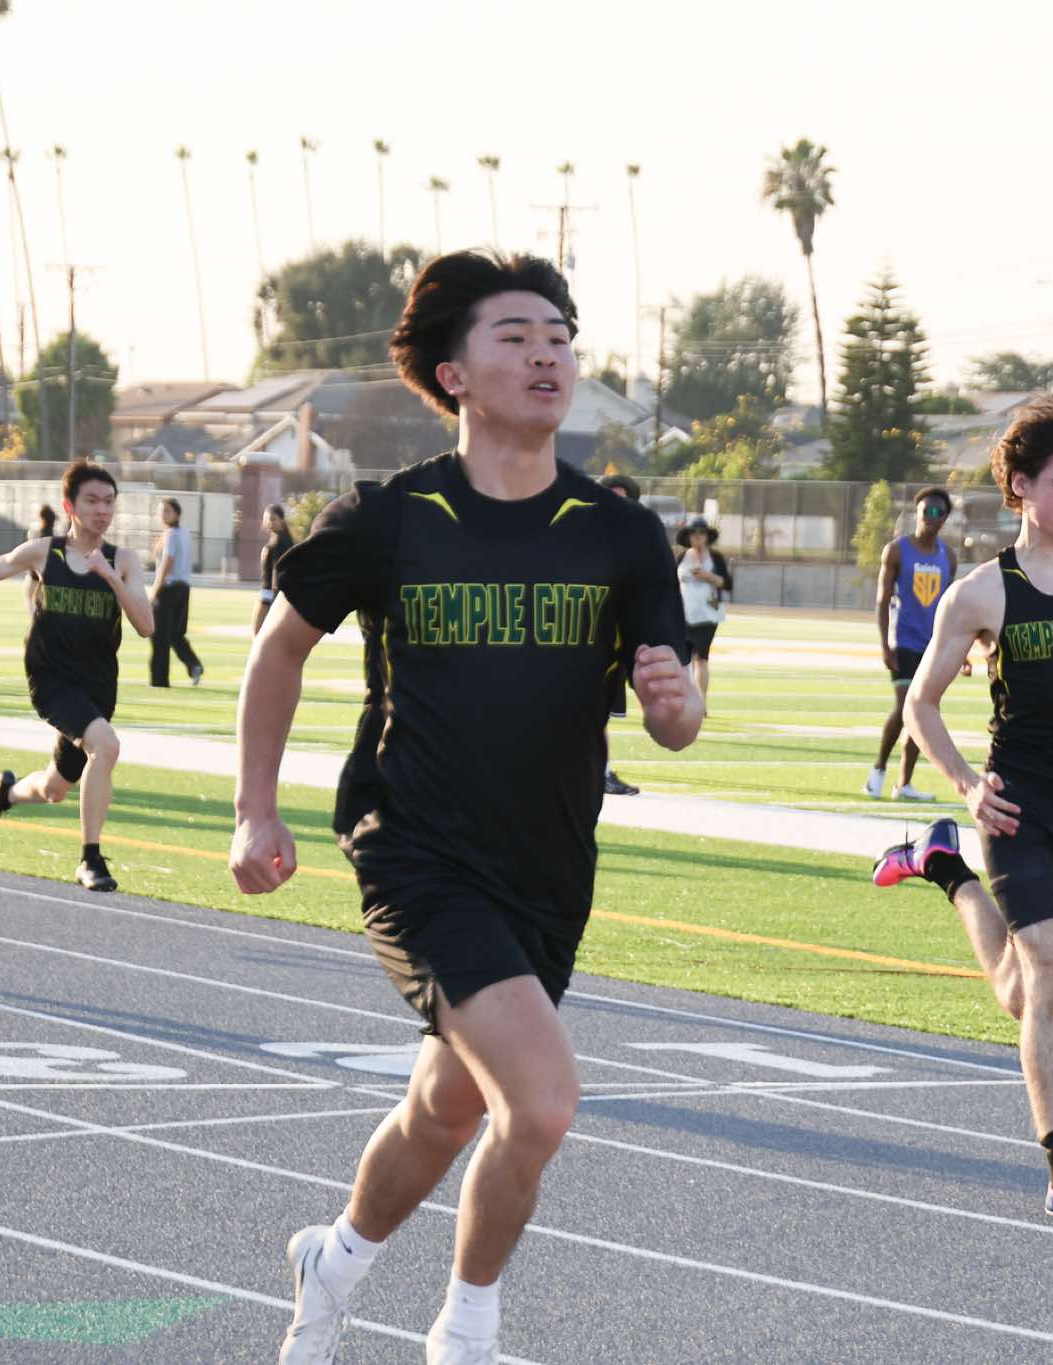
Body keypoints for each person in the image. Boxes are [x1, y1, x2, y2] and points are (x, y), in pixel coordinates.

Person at [232, 250, 701, 1365]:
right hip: (416, 853)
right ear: (451, 373)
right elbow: (278, 648)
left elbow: (675, 719)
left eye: (559, 337)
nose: (547, 356)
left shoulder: (618, 532)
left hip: (547, 868)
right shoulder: (390, 519)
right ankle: (465, 1333)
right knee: (539, 1102)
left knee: (445, 1109)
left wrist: (675, 703)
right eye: (515, 336)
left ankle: (333, 1260)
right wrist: (255, 809)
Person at [871, 397, 1053, 1226]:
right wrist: (968, 785)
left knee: (1022, 992)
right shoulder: (981, 593)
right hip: (1014, 807)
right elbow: (921, 703)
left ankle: (942, 866)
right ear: (1021, 486)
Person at [0, 462, 155, 893]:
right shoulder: (44, 552)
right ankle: (90, 859)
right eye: (92, 501)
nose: (102, 510)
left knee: (56, 787)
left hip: (97, 685)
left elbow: (146, 626)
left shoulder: (122, 560)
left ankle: (5, 795)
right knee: (106, 746)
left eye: (109, 502)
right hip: (51, 680)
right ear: (69, 506)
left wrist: (111, 578)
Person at [865, 487, 959, 802]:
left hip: (933, 646)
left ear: (944, 519)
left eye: (938, 512)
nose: (931, 517)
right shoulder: (897, 550)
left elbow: (949, 606)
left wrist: (957, 648)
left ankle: (904, 784)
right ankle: (878, 770)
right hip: (903, 641)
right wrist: (885, 645)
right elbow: (882, 600)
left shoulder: (948, 557)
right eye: (926, 510)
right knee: (906, 707)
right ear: (916, 513)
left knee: (925, 712)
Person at [598, 473, 644, 796]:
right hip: (579, 639)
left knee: (599, 712)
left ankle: (599, 771)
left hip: (614, 641)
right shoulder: (580, 536)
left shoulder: (637, 542)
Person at [149, 497, 204, 686]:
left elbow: (168, 562)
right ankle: (194, 664)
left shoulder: (171, 534)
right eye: (161, 511)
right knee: (175, 634)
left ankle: (159, 680)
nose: (162, 514)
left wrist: (154, 591)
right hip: (183, 588)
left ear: (177, 513)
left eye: (167, 510)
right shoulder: (184, 533)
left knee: (160, 636)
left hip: (168, 589)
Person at [676, 517, 729, 704]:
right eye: (693, 533)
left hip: (707, 615)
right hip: (683, 615)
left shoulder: (715, 558)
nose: (697, 537)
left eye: (701, 533)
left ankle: (701, 702)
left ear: (707, 536)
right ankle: (684, 701)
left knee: (701, 659)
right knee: (682, 660)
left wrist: (708, 576)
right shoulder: (681, 557)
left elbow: (726, 583)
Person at [253, 502, 295, 635]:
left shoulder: (281, 542)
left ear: (281, 520)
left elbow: (279, 573)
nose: (268, 522)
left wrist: (274, 599)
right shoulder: (277, 539)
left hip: (270, 594)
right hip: (269, 593)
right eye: (266, 519)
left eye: (272, 519)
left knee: (259, 635)